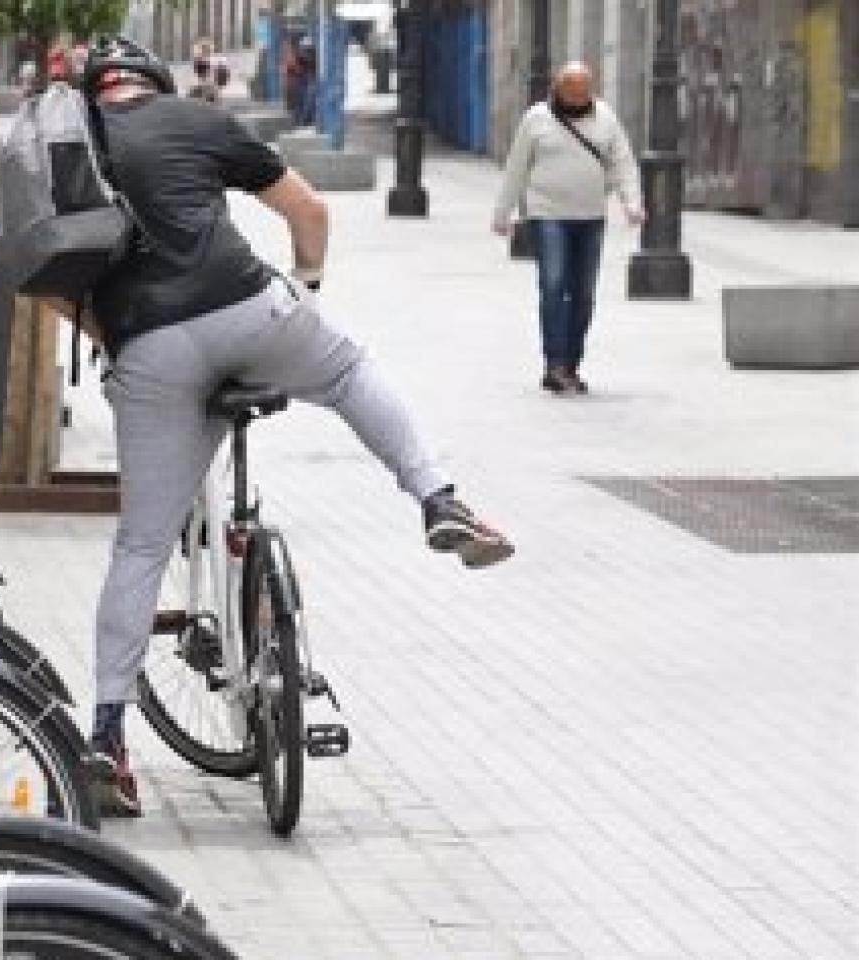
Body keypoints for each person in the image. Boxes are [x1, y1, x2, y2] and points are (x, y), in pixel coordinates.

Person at [71, 39, 514, 817]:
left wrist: (121, 345)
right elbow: (308, 210)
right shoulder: (198, 120)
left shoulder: (70, 141)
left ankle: (107, 736)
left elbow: (41, 273)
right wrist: (305, 292)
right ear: (155, 83)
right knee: (345, 371)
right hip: (246, 306)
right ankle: (439, 499)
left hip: (145, 346)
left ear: (94, 90)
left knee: (141, 545)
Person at [493, 62, 643, 395]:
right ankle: (555, 363)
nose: (577, 100)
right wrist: (502, 213)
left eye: (583, 93)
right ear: (557, 90)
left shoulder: (605, 118)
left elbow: (622, 162)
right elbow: (516, 168)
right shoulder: (536, 119)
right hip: (548, 215)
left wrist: (632, 202)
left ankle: (572, 362)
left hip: (590, 216)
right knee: (553, 284)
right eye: (571, 93)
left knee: (584, 294)